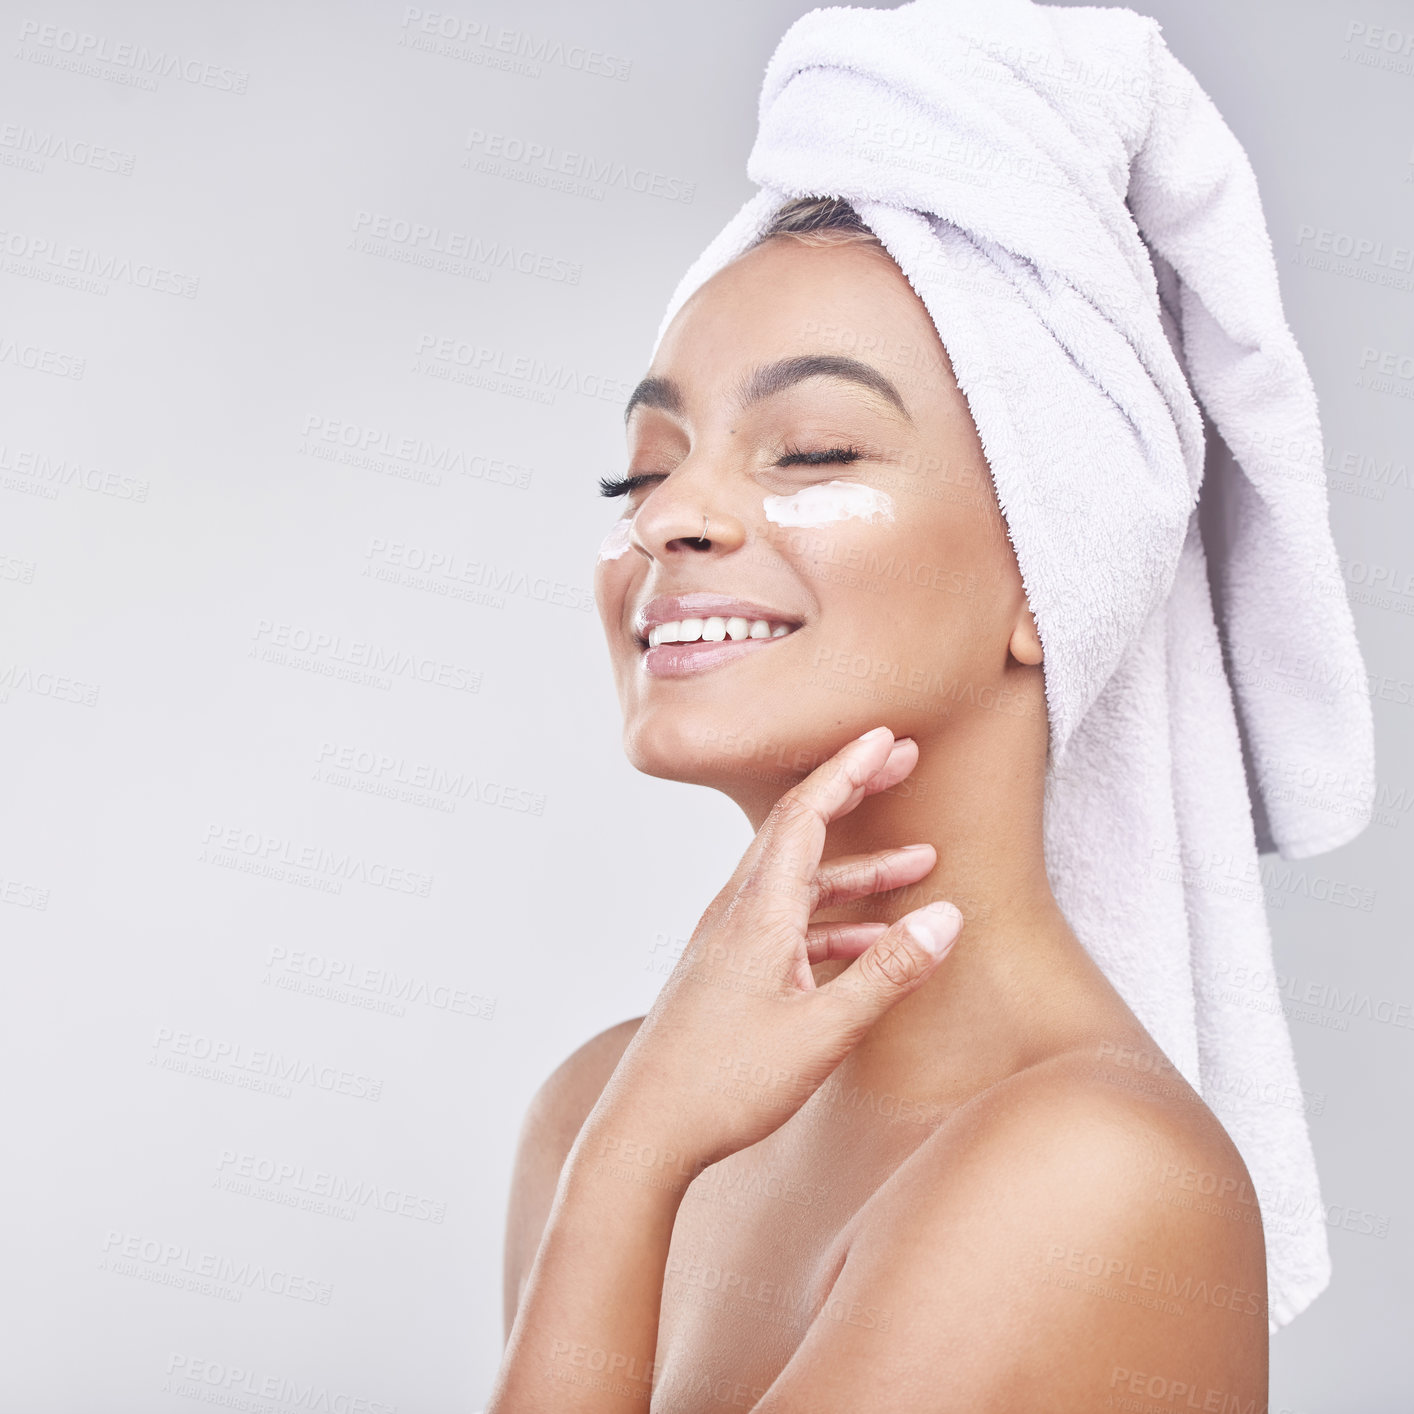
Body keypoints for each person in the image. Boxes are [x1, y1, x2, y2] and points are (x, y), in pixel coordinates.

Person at [487, 195, 1268, 1413]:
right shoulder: (604, 1103)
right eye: (639, 468)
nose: (665, 516)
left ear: (1051, 573)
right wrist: (626, 1157)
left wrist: (629, 1172)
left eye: (812, 452)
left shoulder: (1093, 1176)